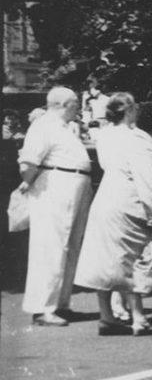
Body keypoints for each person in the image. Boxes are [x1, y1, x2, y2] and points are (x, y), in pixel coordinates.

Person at [74, 92, 152, 336]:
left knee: (107, 260)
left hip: (106, 197)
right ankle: (139, 317)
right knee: (133, 259)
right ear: (129, 110)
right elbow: (148, 179)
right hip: (129, 200)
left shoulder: (105, 135)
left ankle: (107, 316)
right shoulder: (137, 138)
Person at [16, 87, 94, 327]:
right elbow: (28, 162)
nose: (78, 107)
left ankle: (61, 304)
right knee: (50, 246)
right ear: (63, 104)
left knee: (69, 246)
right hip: (55, 186)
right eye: (75, 103)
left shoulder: (64, 127)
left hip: (73, 184)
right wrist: (28, 182)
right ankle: (43, 307)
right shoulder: (43, 125)